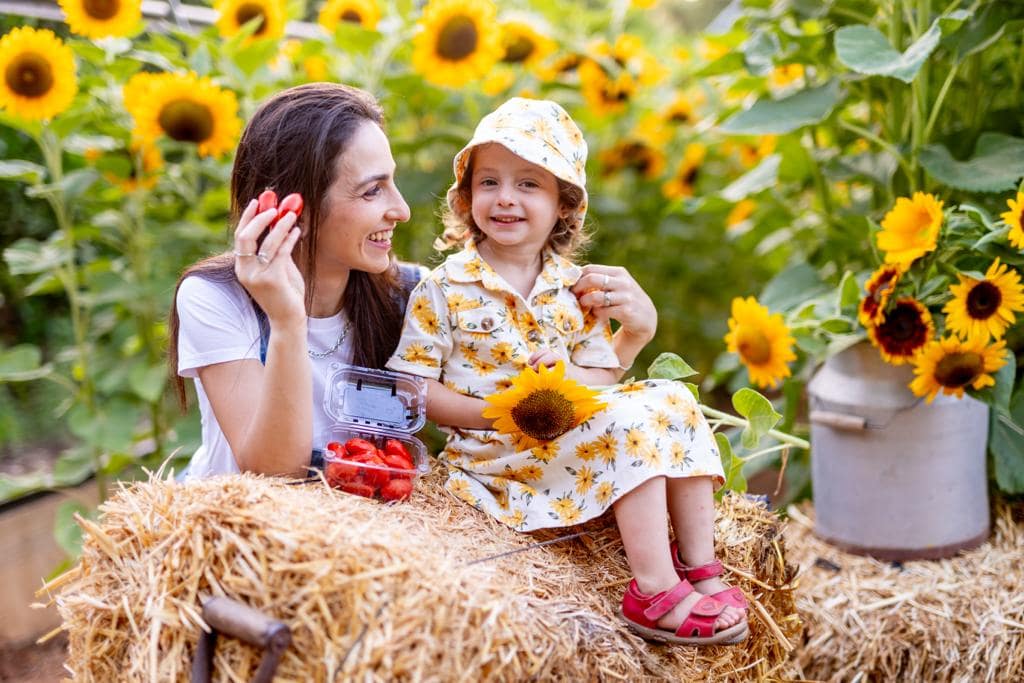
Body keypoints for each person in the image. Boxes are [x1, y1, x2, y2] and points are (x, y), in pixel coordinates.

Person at [386, 98, 748, 646]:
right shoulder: (445, 286)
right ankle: (652, 589)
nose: (505, 197)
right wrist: (501, 413)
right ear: (466, 199)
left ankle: (700, 565)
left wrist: (569, 382)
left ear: (564, 206)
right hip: (496, 461)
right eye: (489, 182)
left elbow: (602, 379)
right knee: (625, 425)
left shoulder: (575, 289)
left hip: (564, 441)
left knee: (672, 396)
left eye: (529, 184)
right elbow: (413, 387)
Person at [167, 82, 417, 478]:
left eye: (392, 183)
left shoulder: (410, 295)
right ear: (294, 208)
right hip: (243, 528)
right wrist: (286, 321)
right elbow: (275, 473)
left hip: (355, 530)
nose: (401, 210)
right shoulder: (216, 298)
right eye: (373, 191)